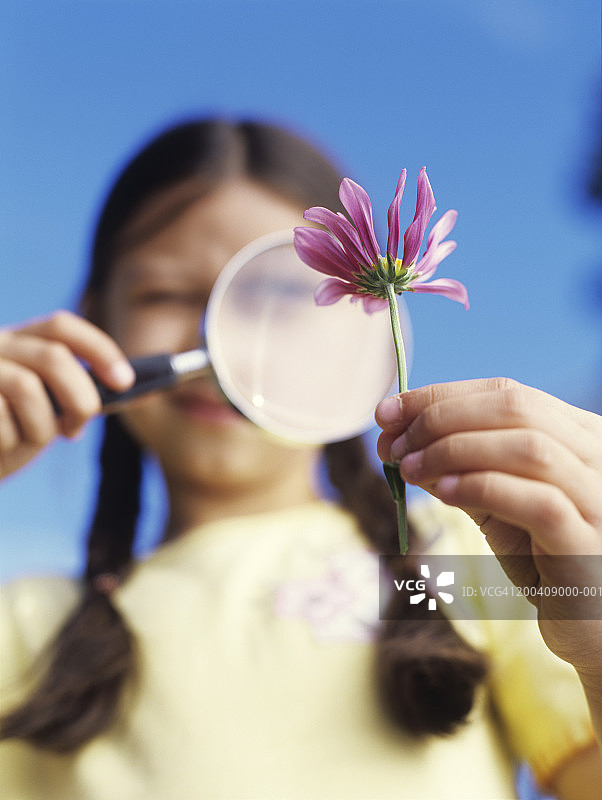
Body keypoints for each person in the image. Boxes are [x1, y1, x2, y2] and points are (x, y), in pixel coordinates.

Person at [0, 118, 600, 800]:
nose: (221, 344)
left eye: (282, 294)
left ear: (362, 335)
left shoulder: (469, 557)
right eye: (164, 294)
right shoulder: (26, 624)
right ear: (94, 322)